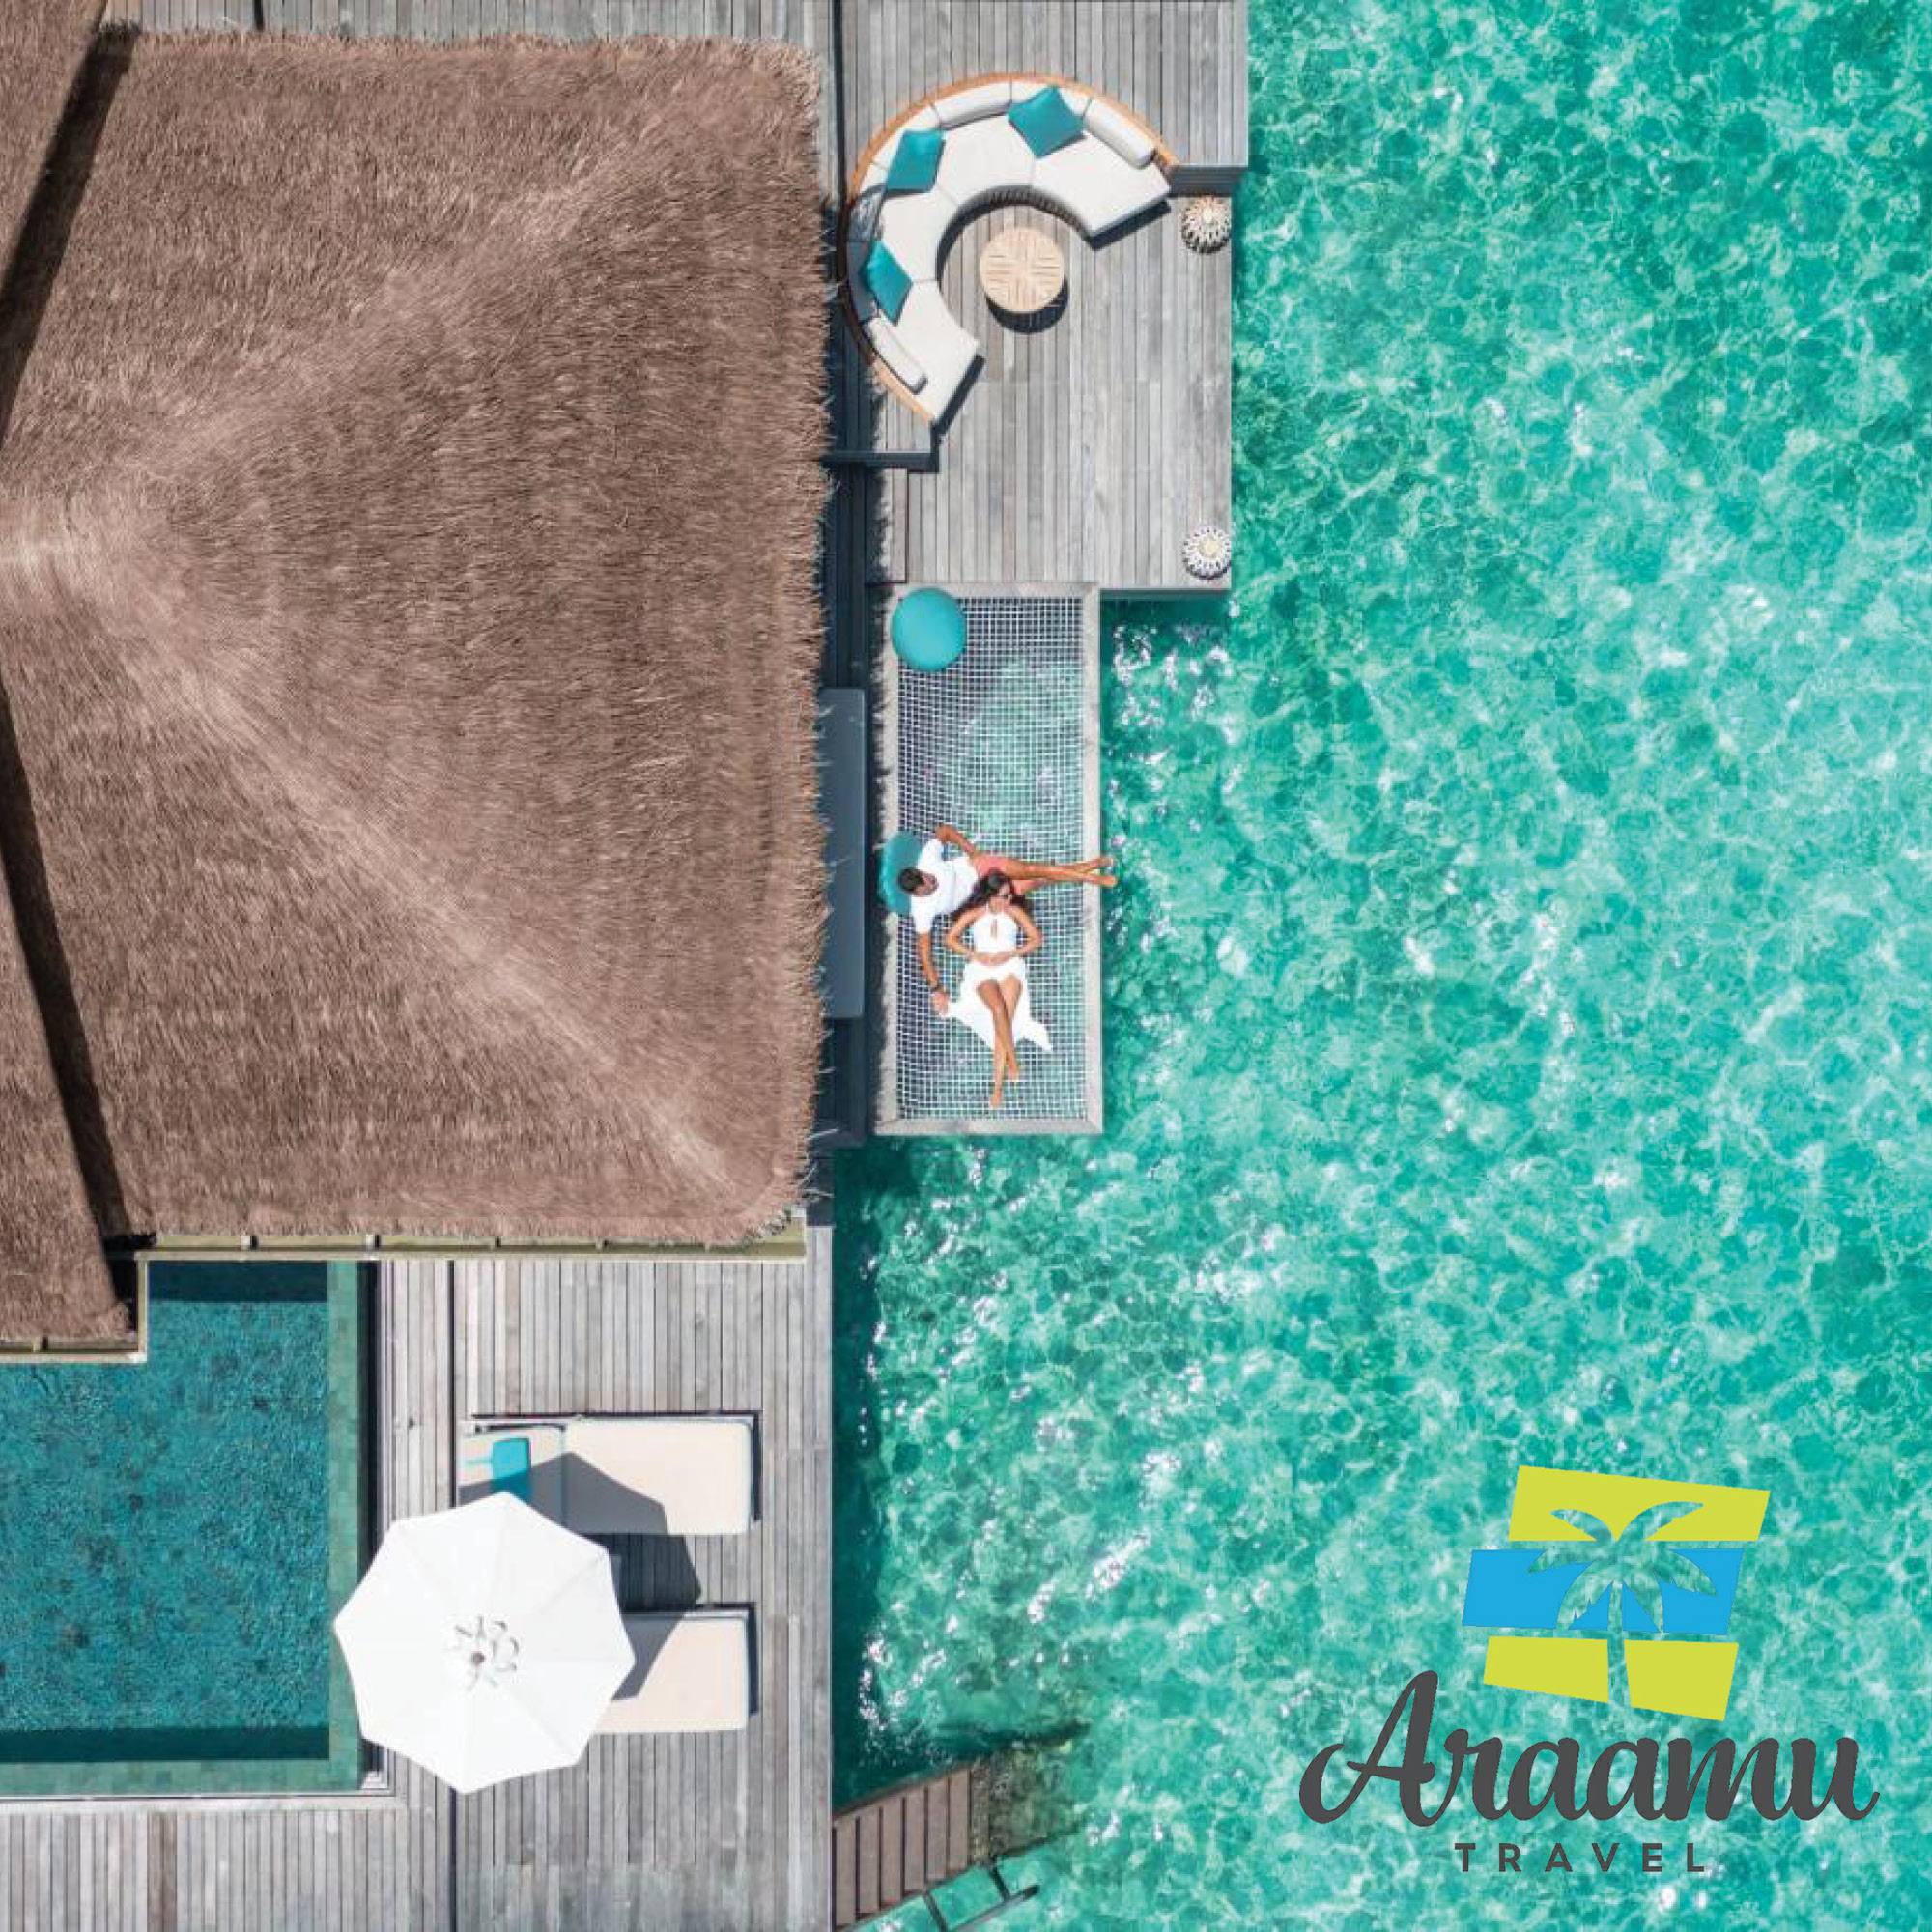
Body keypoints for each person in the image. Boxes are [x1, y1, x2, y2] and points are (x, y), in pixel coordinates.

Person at [898, 822, 1114, 1014]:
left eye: (929, 878)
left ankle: (1093, 878)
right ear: (917, 893)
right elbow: (924, 952)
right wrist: (936, 989)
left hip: (980, 867)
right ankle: (1090, 866)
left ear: (921, 871)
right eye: (928, 887)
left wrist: (972, 851)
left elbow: (944, 831)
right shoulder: (922, 910)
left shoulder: (927, 859)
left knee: (1033, 869)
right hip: (982, 895)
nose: (932, 882)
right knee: (1038, 880)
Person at [943, 874, 1050, 1109]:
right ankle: (1013, 1059)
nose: (1009, 899)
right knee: (998, 1009)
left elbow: (1036, 939)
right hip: (981, 969)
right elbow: (950, 939)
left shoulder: (1014, 912)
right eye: (1004, 895)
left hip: (1010, 966)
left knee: (1003, 1024)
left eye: (1009, 894)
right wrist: (975, 955)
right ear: (991, 895)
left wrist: (1011, 954)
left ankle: (998, 1087)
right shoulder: (974, 913)